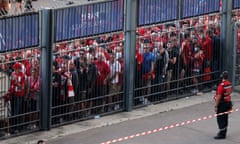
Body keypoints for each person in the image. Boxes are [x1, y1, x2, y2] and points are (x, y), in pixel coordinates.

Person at [213, 71, 233, 139]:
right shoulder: (229, 84)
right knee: (225, 118)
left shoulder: (221, 86)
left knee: (220, 119)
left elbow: (218, 97)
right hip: (228, 103)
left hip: (222, 104)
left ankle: (222, 134)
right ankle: (224, 131)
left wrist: (216, 106)